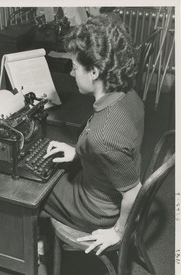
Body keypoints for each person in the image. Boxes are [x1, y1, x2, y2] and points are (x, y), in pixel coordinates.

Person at [40, 14, 145, 256]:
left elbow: (134, 191)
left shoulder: (103, 135)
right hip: (104, 185)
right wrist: (79, 151)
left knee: (34, 186)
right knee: (52, 169)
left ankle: (33, 245)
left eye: (75, 68)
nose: (71, 74)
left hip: (97, 210)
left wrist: (118, 231)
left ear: (95, 71)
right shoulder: (129, 95)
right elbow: (117, 148)